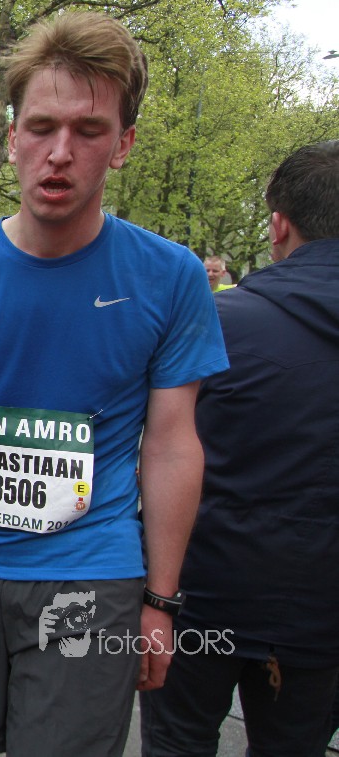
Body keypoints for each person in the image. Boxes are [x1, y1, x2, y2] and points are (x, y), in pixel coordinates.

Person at [0, 11, 228, 757]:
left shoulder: (171, 278)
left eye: (89, 131)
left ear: (123, 144)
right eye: (41, 126)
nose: (59, 153)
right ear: (12, 137)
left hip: (90, 578)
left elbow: (171, 445)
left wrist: (160, 600)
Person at [139, 141, 339, 757]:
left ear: (278, 225)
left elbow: (155, 447)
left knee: (177, 742)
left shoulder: (219, 324)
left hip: (203, 590)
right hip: (323, 609)